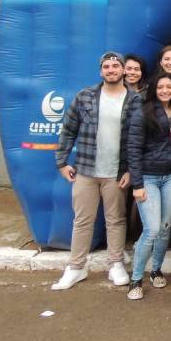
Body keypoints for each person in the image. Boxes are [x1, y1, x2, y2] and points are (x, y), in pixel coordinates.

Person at [52, 52, 142, 291]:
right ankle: (76, 267)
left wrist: (131, 170)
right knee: (82, 220)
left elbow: (137, 139)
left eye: (115, 66)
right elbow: (68, 130)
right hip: (86, 170)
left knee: (116, 220)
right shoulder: (85, 96)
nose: (111, 70)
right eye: (106, 67)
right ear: (101, 71)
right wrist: (61, 162)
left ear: (123, 70)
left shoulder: (134, 100)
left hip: (116, 172)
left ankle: (116, 264)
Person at [126, 72, 171, 300]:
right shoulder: (143, 112)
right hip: (148, 177)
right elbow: (133, 149)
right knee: (151, 229)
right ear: (153, 90)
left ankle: (156, 270)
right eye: (160, 87)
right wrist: (137, 184)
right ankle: (136, 279)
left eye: (169, 87)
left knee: (165, 226)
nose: (165, 91)